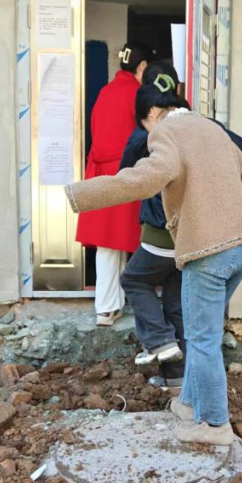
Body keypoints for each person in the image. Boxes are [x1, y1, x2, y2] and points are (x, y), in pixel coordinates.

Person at [66, 80, 242, 446]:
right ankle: (189, 402)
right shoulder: (212, 129)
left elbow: (144, 179)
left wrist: (81, 194)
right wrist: (220, 206)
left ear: (154, 115)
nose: (146, 132)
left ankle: (215, 424)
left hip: (208, 253)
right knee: (202, 334)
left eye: (144, 124)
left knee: (202, 341)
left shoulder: (168, 132)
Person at [119, 62, 242, 387]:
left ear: (152, 111)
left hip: (161, 236)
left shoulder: (148, 137)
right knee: (177, 304)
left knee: (134, 279)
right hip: (197, 240)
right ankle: (178, 379)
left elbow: (126, 176)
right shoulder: (205, 127)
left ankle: (159, 339)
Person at [77, 42, 153, 326]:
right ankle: (111, 305)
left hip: (100, 171)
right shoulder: (138, 95)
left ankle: (110, 304)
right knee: (130, 240)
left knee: (110, 242)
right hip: (126, 173)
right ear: (142, 66)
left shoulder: (105, 92)